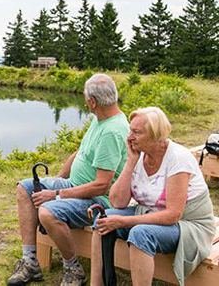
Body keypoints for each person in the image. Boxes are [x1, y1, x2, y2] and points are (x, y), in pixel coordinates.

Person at [7, 74, 129, 286]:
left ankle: (73, 269)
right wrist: (58, 180)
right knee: (24, 188)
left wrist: (55, 194)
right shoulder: (101, 118)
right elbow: (81, 152)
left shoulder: (112, 131)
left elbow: (102, 185)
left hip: (99, 200)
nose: (84, 101)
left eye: (85, 97)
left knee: (48, 212)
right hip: (75, 186)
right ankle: (30, 262)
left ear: (93, 102)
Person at [90, 107, 216, 286]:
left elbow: (173, 215)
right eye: (130, 131)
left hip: (189, 225)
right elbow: (117, 202)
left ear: (155, 136)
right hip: (150, 213)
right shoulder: (139, 155)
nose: (130, 137)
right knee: (103, 219)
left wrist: (123, 222)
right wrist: (131, 162)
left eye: (137, 132)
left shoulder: (178, 158)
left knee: (140, 234)